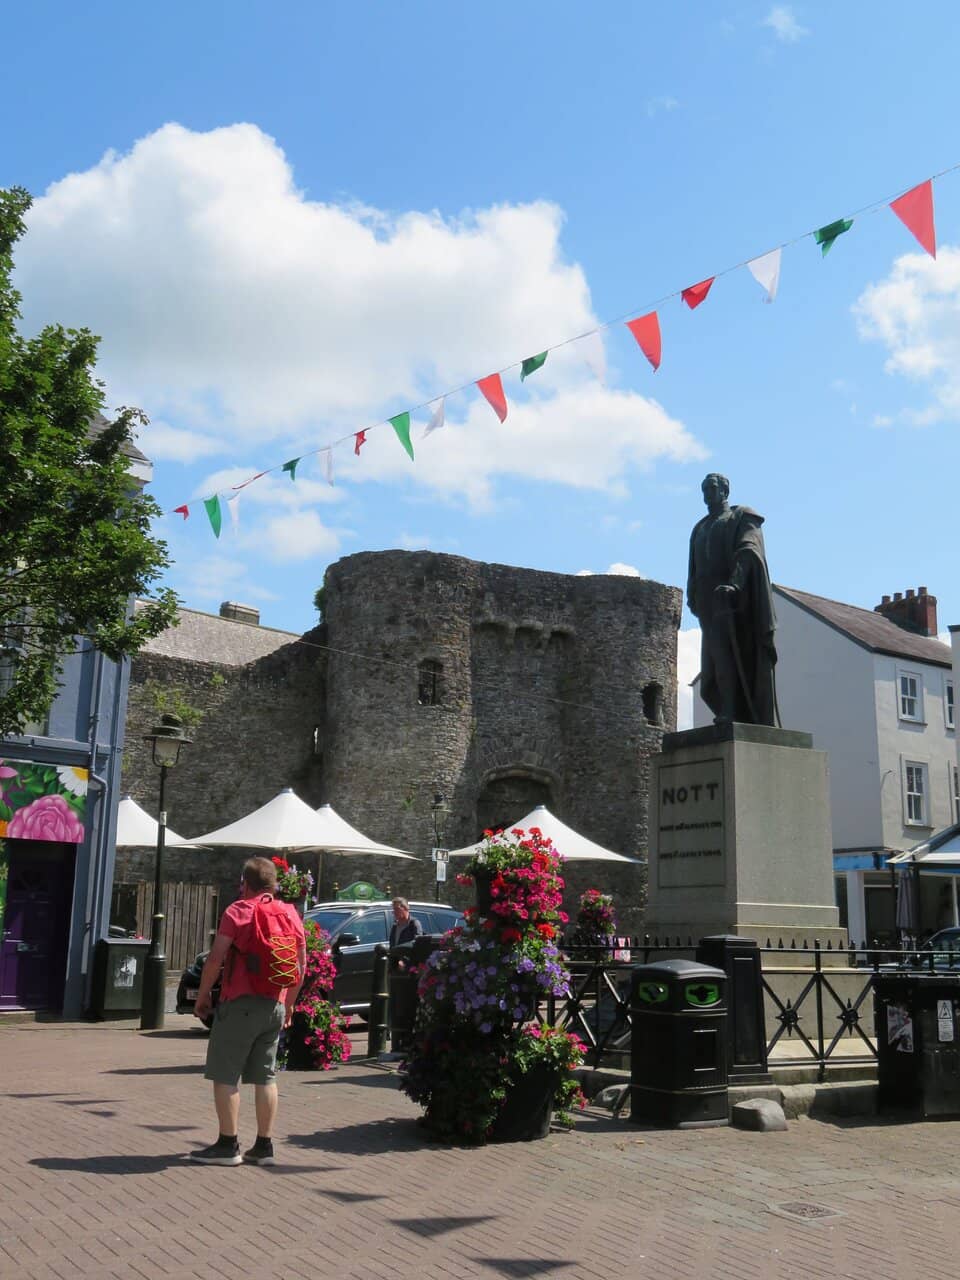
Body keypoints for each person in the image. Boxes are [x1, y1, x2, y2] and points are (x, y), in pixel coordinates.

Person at [191, 856, 306, 1166]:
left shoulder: (238, 911)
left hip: (240, 1003)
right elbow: (300, 965)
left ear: (245, 883)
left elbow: (215, 959)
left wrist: (203, 997)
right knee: (265, 1077)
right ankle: (264, 1146)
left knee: (226, 1074)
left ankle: (228, 1145)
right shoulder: (290, 913)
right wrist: (289, 1003)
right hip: (275, 1005)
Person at [687, 473, 779, 726]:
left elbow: (748, 550)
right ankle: (728, 709)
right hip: (708, 602)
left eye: (713, 487)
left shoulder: (741, 516)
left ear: (725, 491)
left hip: (736, 602)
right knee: (713, 664)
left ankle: (731, 711)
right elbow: (694, 567)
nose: (708, 493)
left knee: (728, 655)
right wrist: (693, 594)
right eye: (704, 488)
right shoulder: (700, 527)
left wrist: (735, 583)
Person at [389, 896, 423, 960]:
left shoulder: (414, 924)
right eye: (394, 909)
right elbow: (392, 945)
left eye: (397, 909)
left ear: (406, 908)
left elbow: (416, 945)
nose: (395, 912)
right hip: (394, 962)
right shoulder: (395, 925)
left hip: (407, 964)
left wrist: (404, 960)